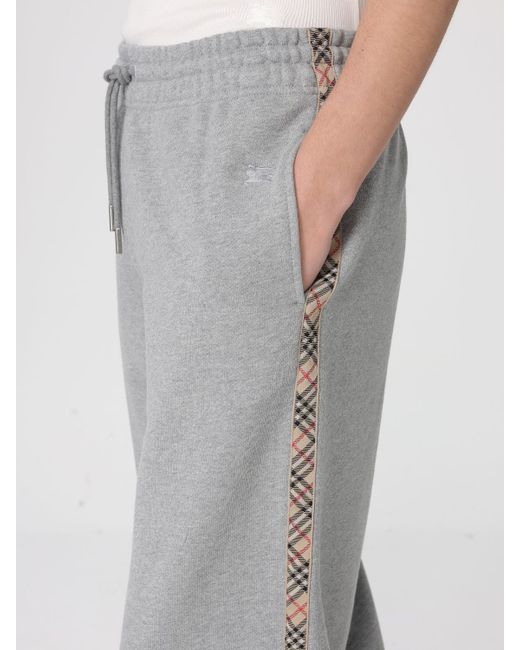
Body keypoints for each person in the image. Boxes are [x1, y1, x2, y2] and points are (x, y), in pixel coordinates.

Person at [104, 1, 458, 648]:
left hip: (268, 111)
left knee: (225, 591)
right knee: (255, 581)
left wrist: (315, 187)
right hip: (155, 106)